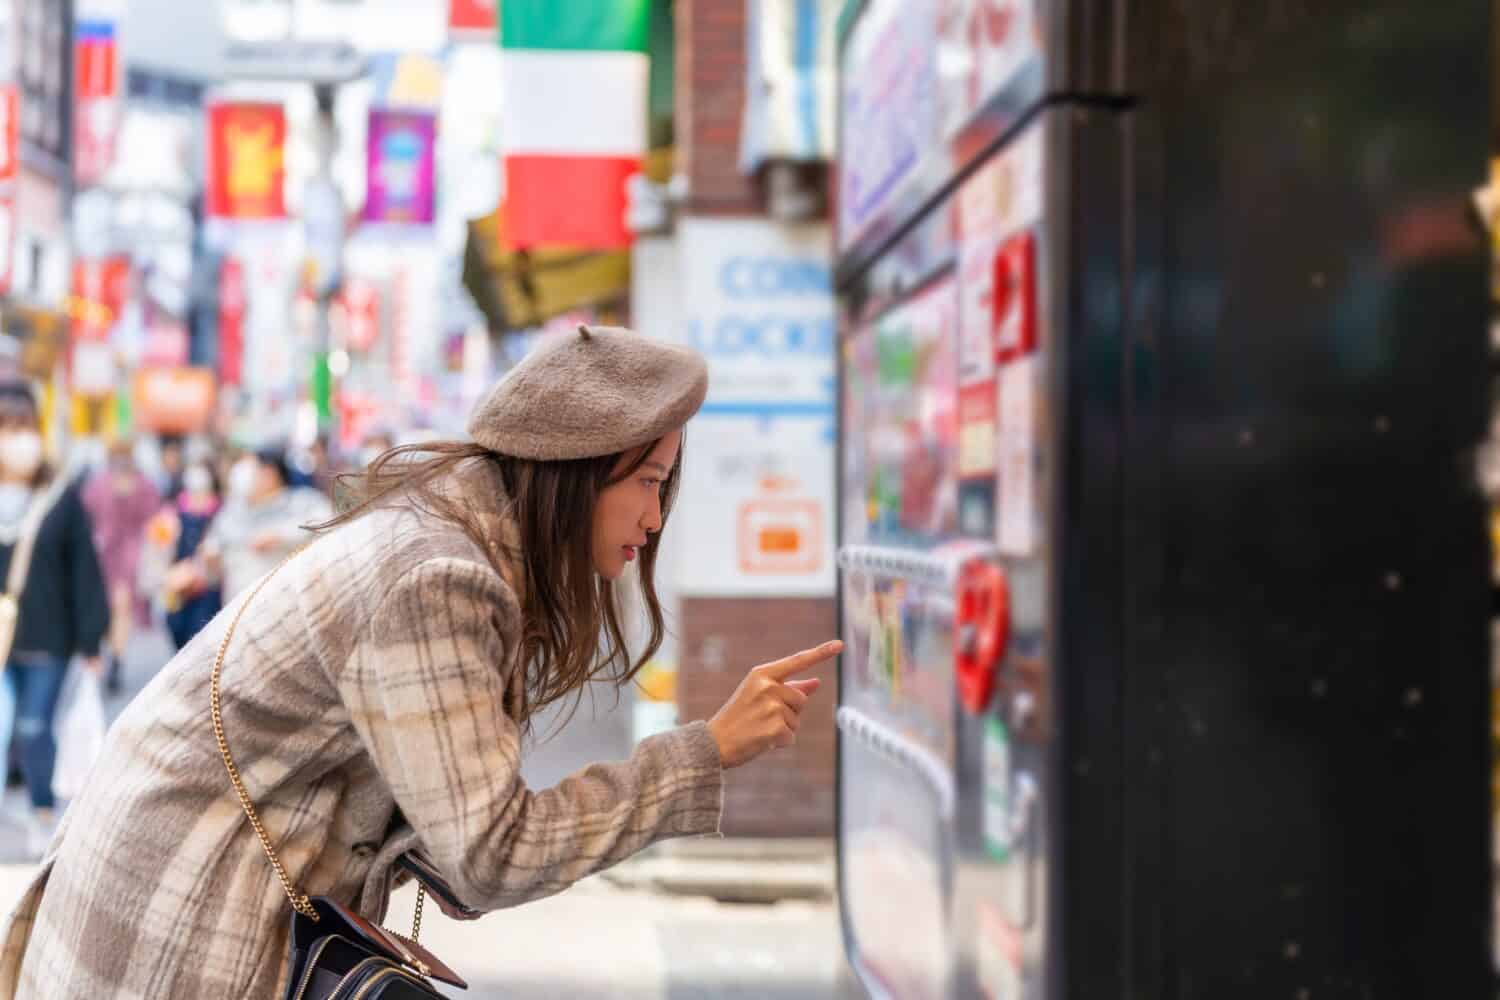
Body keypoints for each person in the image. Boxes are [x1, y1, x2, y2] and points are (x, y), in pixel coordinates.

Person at [0, 326, 840, 996]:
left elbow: (463, 848)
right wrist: (706, 752)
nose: (655, 518)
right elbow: (495, 854)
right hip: (179, 911)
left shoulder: (453, 541)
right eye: (649, 481)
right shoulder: (438, 578)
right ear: (579, 473)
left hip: (178, 877)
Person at [0, 381, 107, 859]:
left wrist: (91, 642)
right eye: (6, 427)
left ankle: (42, 808)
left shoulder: (61, 497)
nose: (15, 437)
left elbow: (84, 570)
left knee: (31, 727)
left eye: (22, 427)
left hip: (47, 641)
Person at [80, 439, 161, 695]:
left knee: (119, 607)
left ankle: (115, 656)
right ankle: (115, 654)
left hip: (116, 556)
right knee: (117, 609)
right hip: (117, 555)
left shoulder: (100, 484)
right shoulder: (139, 484)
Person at [200, 447, 333, 601]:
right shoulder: (230, 514)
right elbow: (212, 569)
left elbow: (327, 522)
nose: (240, 476)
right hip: (238, 611)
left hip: (287, 605)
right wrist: (209, 562)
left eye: (251, 469)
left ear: (270, 473)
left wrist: (281, 535)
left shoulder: (301, 502)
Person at [161, 460, 223, 651]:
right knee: (175, 625)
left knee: (202, 631)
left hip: (207, 585)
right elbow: (161, 542)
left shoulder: (219, 509)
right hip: (179, 581)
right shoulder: (175, 509)